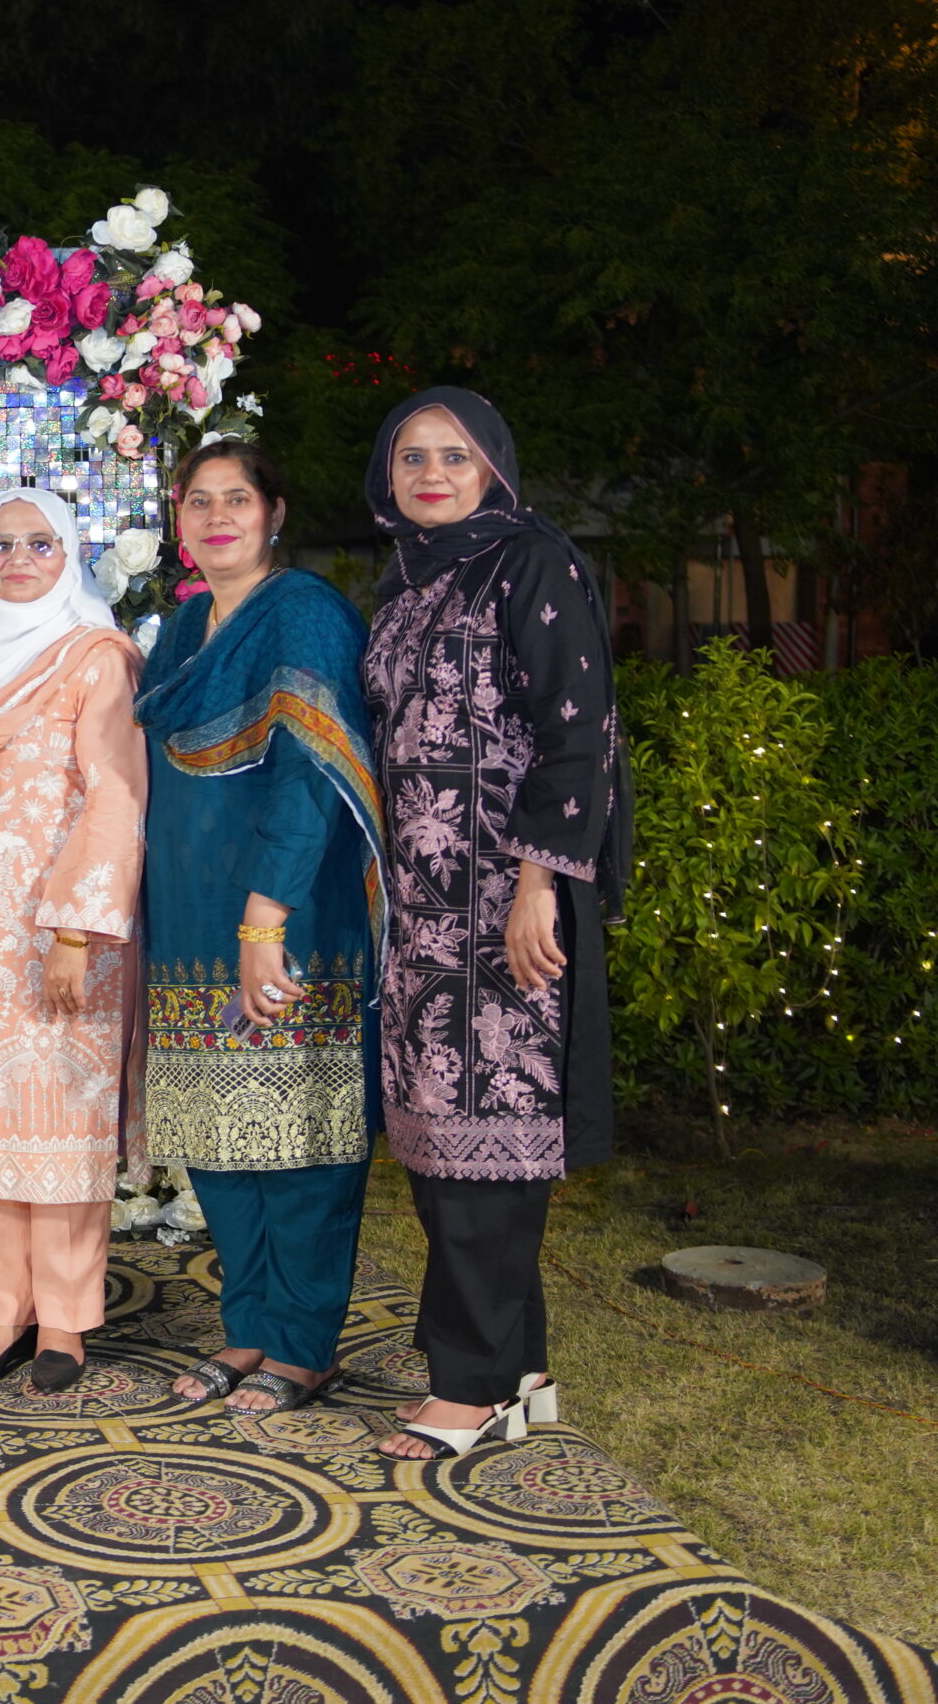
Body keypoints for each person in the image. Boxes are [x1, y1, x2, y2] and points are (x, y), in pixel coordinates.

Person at [362, 388, 631, 1460]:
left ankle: (465, 1386)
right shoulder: (405, 583)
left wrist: (537, 884)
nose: (431, 474)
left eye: (455, 456)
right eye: (412, 457)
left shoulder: (531, 563)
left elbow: (577, 731)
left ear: (494, 470)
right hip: (422, 908)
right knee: (445, 1142)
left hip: (506, 903)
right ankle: (517, 1371)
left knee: (498, 1137)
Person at [135, 440, 385, 1417]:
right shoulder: (183, 627)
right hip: (188, 913)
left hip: (287, 913)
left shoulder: (306, 613)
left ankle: (303, 1344)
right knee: (217, 1133)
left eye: (236, 498)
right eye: (198, 501)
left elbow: (308, 775)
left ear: (274, 513)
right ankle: (247, 1328)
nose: (217, 517)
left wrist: (265, 916)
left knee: (302, 1137)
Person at [0, 488, 149, 1394]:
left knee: (59, 1125)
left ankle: (63, 1322)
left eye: (42, 544)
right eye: (3, 544)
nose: (19, 559)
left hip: (63, 936)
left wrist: (75, 932)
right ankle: (0, 1314)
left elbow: (116, 795)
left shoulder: (95, 656)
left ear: (71, 556)